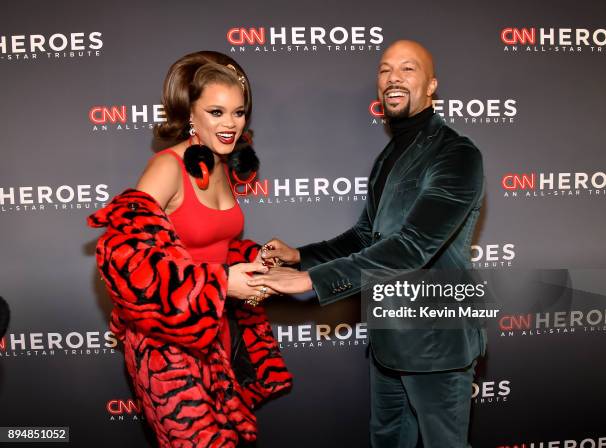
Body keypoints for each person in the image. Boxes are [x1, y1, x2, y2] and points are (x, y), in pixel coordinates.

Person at [248, 40, 485, 447]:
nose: (393, 77)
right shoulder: (389, 156)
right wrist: (300, 256)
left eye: (407, 69)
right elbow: (364, 236)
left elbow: (412, 247)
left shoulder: (457, 154)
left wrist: (311, 281)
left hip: (435, 344)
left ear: (431, 86)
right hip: (387, 337)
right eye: (384, 69)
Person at [87, 51, 292, 448]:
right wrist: (220, 285)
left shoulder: (219, 164)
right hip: (164, 343)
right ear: (191, 115)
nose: (230, 124)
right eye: (216, 112)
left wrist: (250, 259)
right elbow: (124, 256)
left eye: (238, 112)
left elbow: (207, 243)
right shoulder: (167, 167)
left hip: (212, 332)